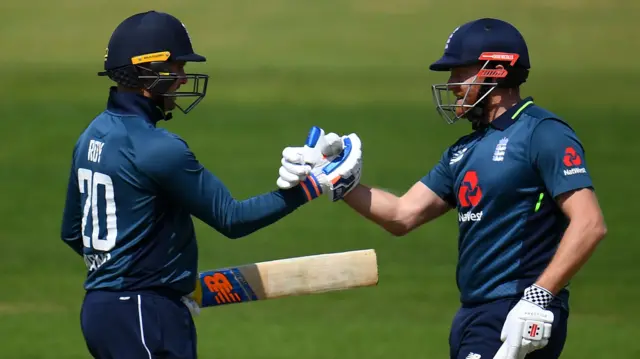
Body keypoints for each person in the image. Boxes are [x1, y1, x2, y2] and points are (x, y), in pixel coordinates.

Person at [280, 17, 607, 359]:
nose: (451, 85)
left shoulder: (542, 133)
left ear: (494, 71)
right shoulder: (462, 152)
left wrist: (538, 298)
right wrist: (333, 179)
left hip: (519, 309)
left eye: (459, 73)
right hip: (473, 315)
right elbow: (401, 215)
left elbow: (589, 223)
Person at [60, 10, 361, 359]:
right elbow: (232, 219)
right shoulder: (158, 148)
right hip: (143, 313)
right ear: (150, 71)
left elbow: (72, 231)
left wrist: (152, 280)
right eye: (177, 68)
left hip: (101, 312)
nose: (184, 79)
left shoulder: (91, 136)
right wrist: (315, 184)